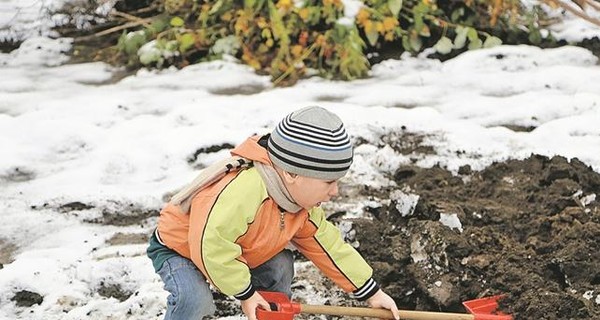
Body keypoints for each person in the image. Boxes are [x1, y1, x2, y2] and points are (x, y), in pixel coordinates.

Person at [147, 106, 400, 320]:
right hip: (184, 249)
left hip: (237, 247)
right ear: (291, 174)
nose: (335, 192)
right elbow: (211, 245)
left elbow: (330, 247)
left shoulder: (301, 205)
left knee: (280, 266)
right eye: (328, 182)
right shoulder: (242, 193)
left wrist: (371, 293)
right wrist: (245, 294)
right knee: (194, 300)